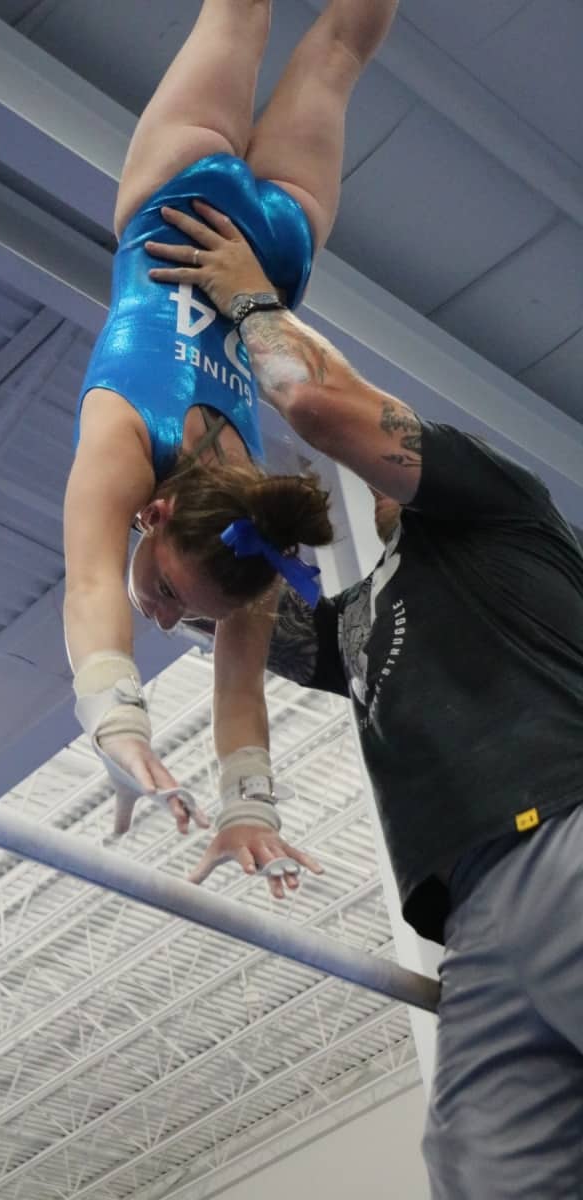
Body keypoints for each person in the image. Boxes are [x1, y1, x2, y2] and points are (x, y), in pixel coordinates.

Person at [144, 201, 583, 1197]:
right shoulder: (356, 622)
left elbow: (315, 405)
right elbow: (243, 612)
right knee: (479, 1176)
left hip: (562, 832)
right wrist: (170, 543)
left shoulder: (494, 508)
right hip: (470, 924)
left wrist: (248, 301)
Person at [64, 0, 398, 882]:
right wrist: (119, 727)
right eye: (177, 596)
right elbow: (93, 582)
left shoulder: (255, 530)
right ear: (156, 515)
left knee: (337, 50)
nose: (163, 617)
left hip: (276, 252)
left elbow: (238, 685)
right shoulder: (125, 441)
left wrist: (242, 806)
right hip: (177, 196)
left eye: (178, 612)